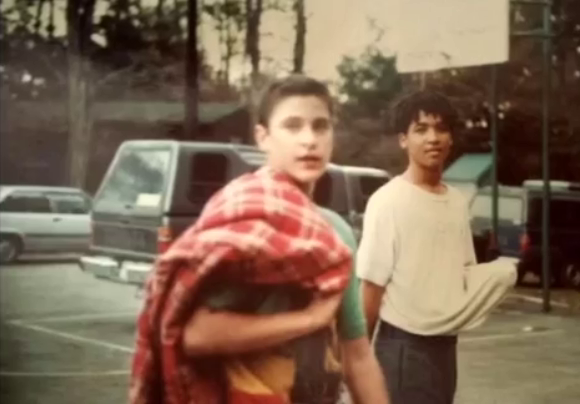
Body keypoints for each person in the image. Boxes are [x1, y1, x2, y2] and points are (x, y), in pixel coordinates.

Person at [130, 75, 389, 404]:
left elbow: (357, 355)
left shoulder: (335, 232)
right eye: (292, 126)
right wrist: (309, 319)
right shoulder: (248, 218)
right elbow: (195, 335)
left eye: (320, 126)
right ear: (263, 137)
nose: (309, 140)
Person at [357, 90, 516, 404]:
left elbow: (463, 275)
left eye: (441, 128)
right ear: (403, 140)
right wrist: (358, 366)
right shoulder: (387, 201)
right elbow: (371, 289)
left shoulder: (456, 202)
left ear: (451, 139)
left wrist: (500, 275)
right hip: (403, 349)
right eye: (421, 129)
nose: (433, 138)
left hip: (445, 350)